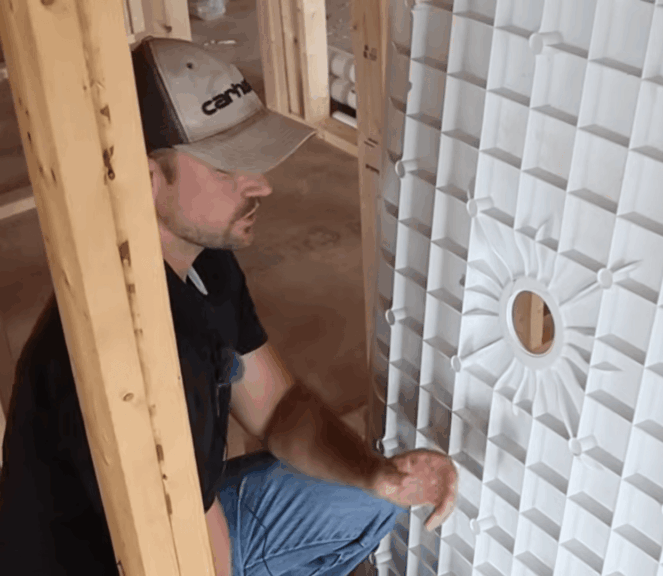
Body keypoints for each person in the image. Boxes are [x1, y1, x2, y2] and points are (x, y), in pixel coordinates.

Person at [0, 36, 457, 575]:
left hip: (184, 519)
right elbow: (191, 556)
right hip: (119, 559)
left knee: (368, 500)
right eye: (225, 168)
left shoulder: (201, 260)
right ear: (145, 179)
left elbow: (281, 409)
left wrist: (376, 475)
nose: (260, 184)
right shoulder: (145, 348)